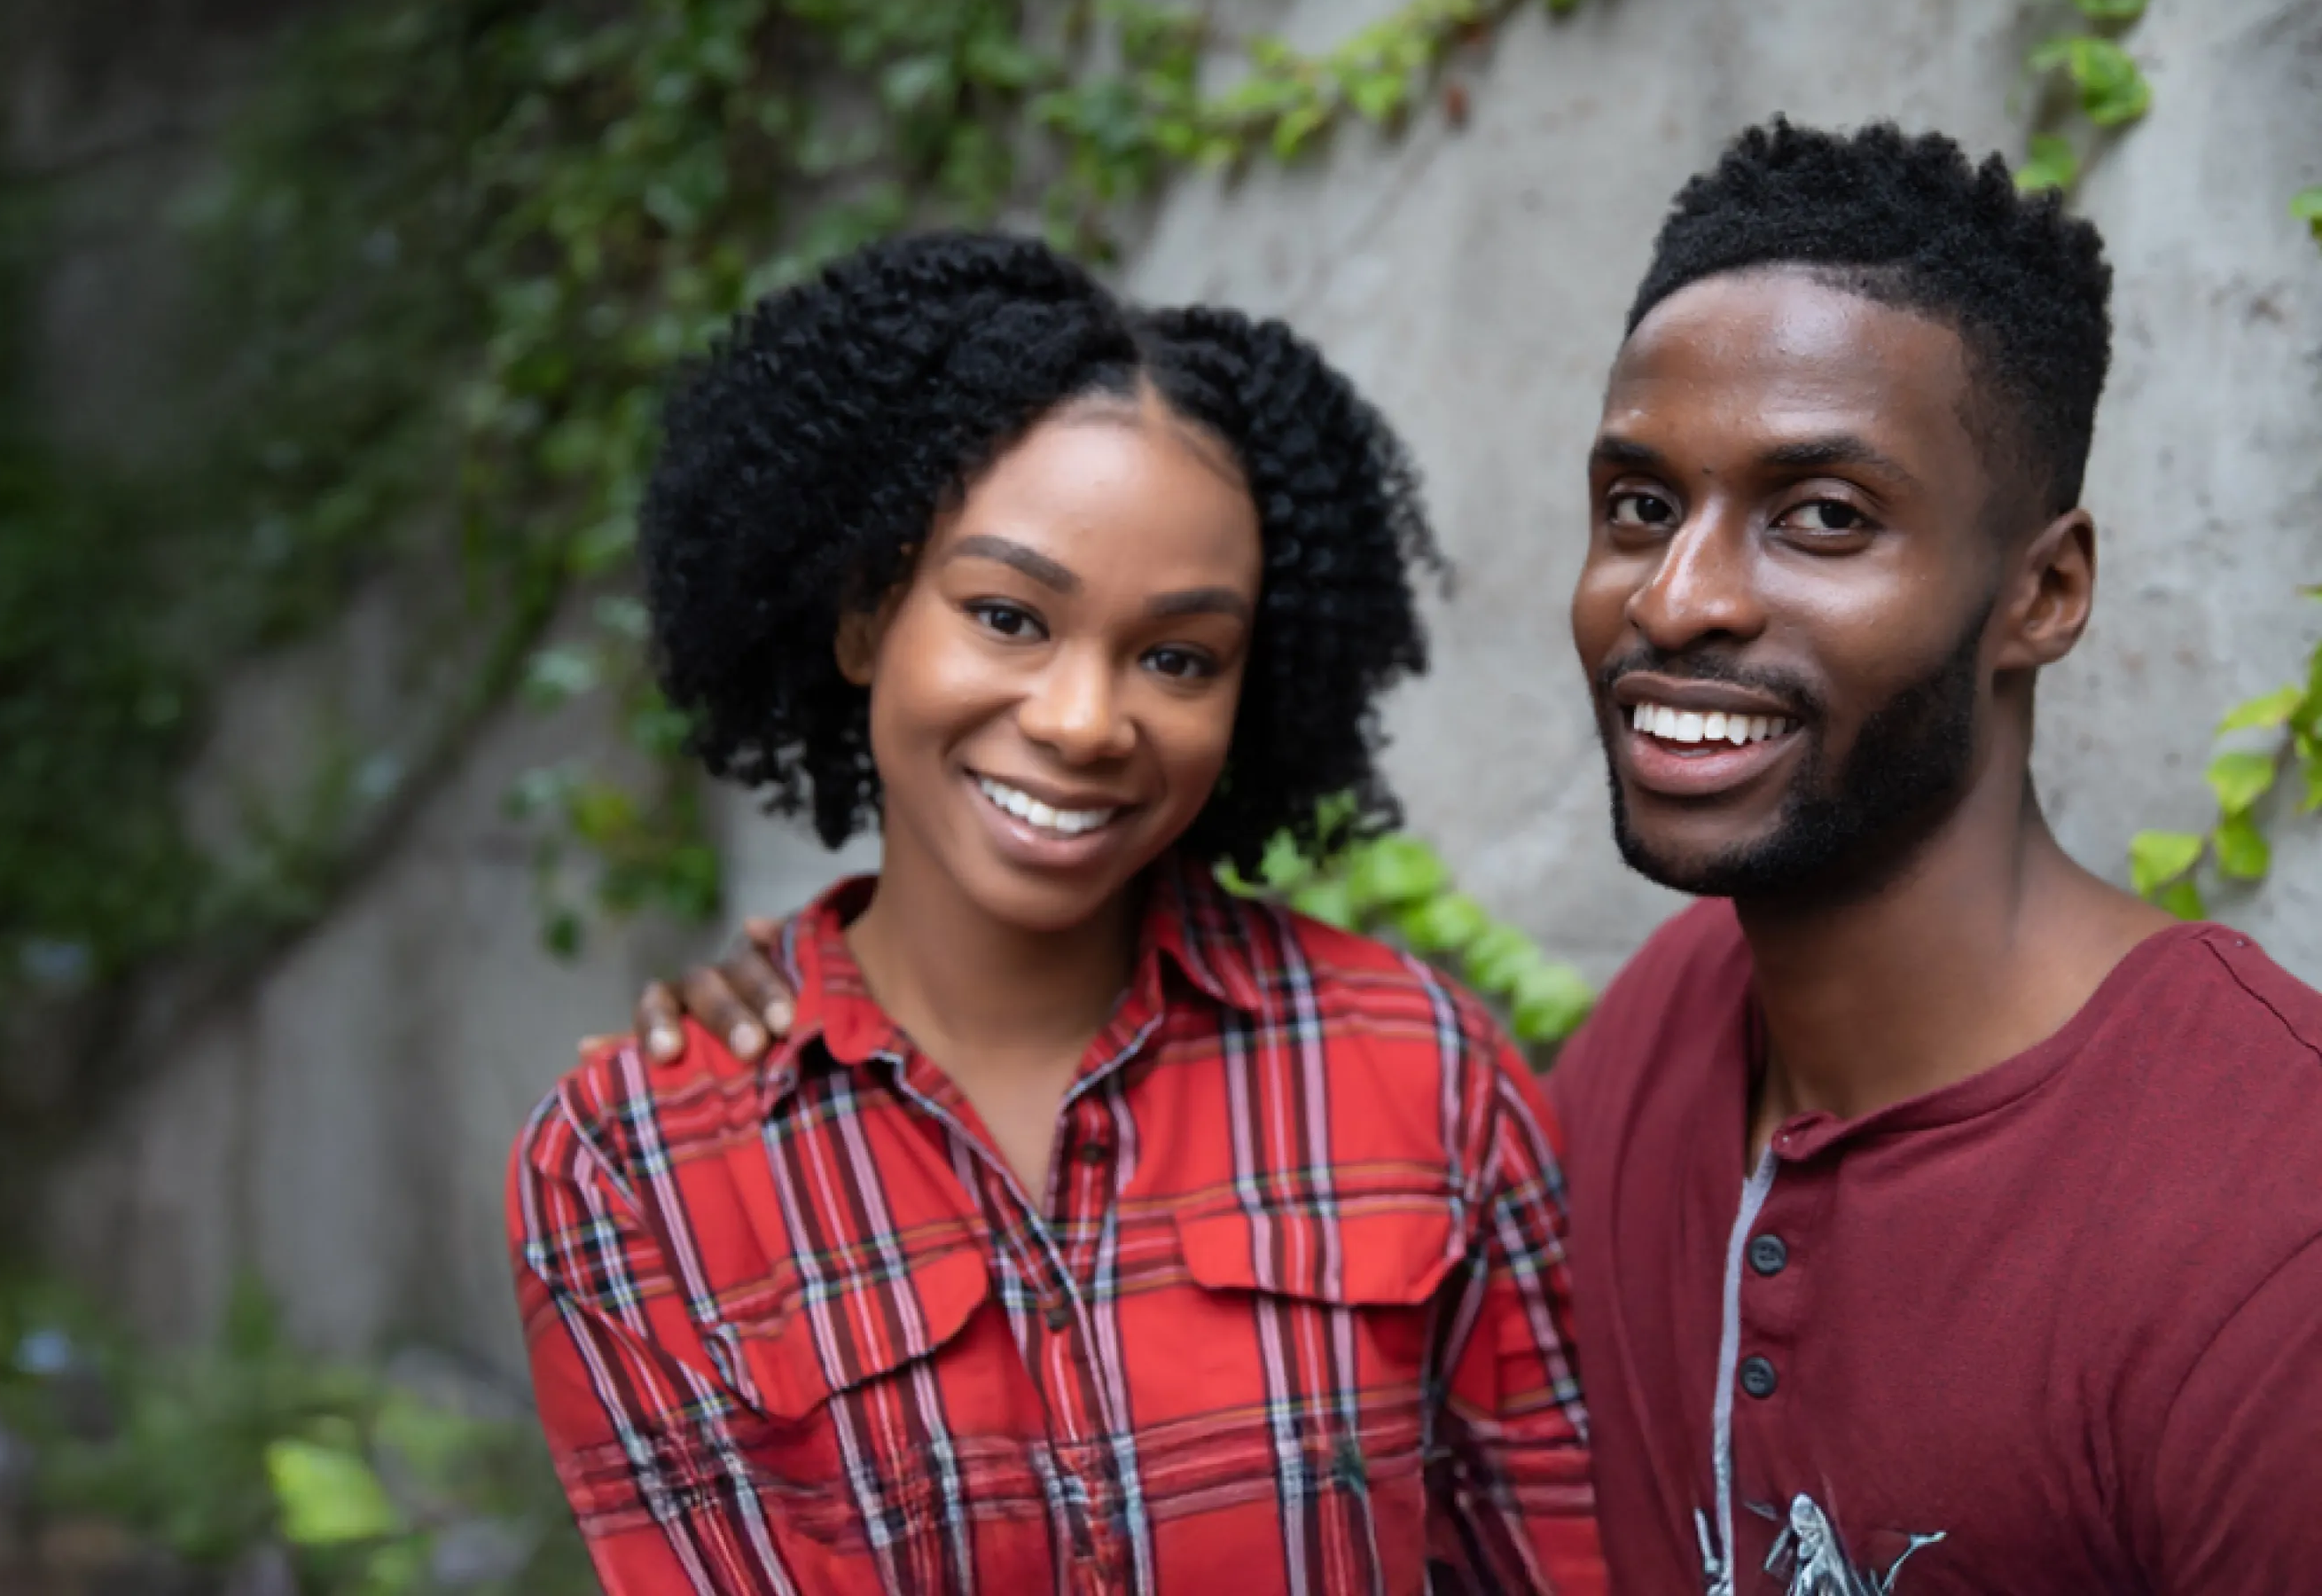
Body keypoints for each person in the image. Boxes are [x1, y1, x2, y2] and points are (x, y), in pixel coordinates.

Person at [644, 122, 2322, 1591]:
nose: (1678, 598)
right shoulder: (1653, 1052)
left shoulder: (2263, 1223)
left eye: (1823, 516)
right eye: (1642, 505)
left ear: (2043, 591)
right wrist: (825, 1022)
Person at [510, 231, 1605, 1594]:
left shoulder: (1425, 1078)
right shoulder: (640, 1174)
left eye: (1175, 657)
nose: (1085, 722)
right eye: (1008, 616)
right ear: (865, 618)